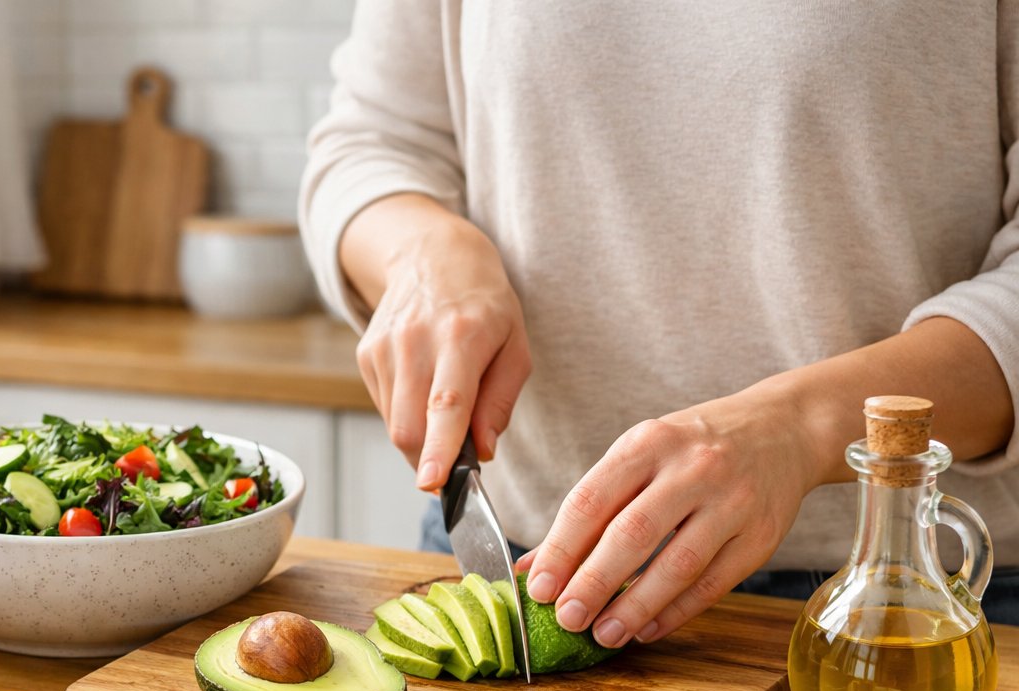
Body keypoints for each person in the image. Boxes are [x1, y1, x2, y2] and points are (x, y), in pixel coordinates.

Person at [300, 2, 1019, 636]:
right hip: (519, 570)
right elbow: (373, 143)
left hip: (925, 606)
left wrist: (804, 427)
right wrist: (422, 249)